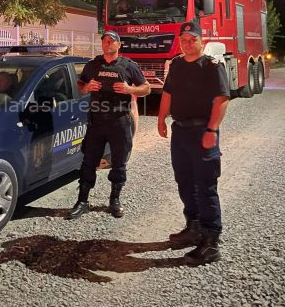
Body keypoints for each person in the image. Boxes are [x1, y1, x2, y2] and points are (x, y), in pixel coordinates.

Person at [157, 20, 230, 265]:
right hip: (180, 131)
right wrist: (161, 119)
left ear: (202, 40)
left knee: (205, 185)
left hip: (202, 131)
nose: (188, 44)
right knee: (184, 181)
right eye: (184, 40)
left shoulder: (211, 65)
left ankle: (211, 242)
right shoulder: (177, 64)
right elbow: (168, 92)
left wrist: (212, 129)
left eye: (193, 40)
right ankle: (194, 227)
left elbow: (221, 99)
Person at [68, 30, 151, 219]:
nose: (107, 44)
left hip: (119, 121)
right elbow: (80, 84)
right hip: (96, 121)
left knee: (119, 163)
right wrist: (87, 87)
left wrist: (129, 89)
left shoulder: (129, 66)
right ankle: (82, 201)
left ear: (119, 45)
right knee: (88, 162)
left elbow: (146, 88)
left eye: (111, 41)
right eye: (105, 41)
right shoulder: (93, 65)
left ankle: (114, 200)